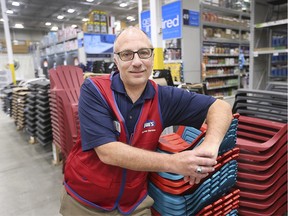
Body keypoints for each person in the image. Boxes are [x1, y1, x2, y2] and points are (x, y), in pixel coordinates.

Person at [60, 26, 232, 216]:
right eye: (127, 54)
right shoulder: (95, 90)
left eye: (143, 53)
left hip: (134, 203)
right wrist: (174, 162)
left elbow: (220, 108)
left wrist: (209, 146)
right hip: (86, 201)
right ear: (116, 61)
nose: (137, 62)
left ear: (152, 57)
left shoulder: (163, 97)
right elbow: (108, 152)